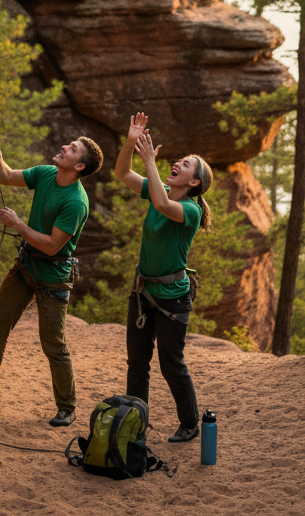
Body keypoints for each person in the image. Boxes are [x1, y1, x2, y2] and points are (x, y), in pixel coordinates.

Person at [0, 135, 104, 427]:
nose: (63, 148)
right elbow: (6, 176)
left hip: (54, 277)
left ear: (80, 165)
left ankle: (67, 407)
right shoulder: (46, 174)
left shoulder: (75, 201)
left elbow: (52, 246)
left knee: (53, 344)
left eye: (71, 149)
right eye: (68, 144)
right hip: (26, 267)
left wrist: (19, 225)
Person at [113, 111, 214, 443]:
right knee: (137, 362)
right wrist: (131, 143)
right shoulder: (159, 190)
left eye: (186, 165)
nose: (179, 164)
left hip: (173, 298)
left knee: (171, 364)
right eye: (179, 161)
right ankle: (133, 424)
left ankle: (189, 422)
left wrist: (151, 165)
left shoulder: (191, 211)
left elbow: (160, 201)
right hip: (143, 292)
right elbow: (122, 172)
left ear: (194, 182)